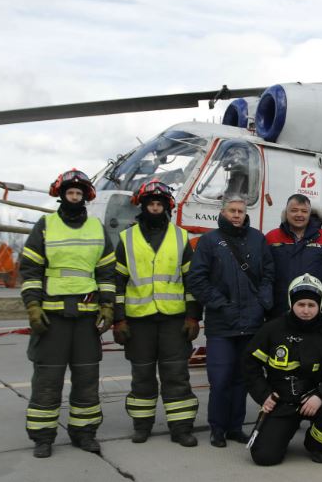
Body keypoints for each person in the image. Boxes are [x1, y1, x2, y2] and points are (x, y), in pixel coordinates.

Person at [19, 170, 116, 458]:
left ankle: (84, 433)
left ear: (85, 197)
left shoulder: (97, 228)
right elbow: (31, 269)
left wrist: (107, 305)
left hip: (86, 319)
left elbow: (106, 272)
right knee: (47, 380)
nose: (74, 197)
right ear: (62, 196)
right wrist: (33, 306)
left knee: (87, 378)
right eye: (70, 193)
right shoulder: (46, 225)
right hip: (52, 318)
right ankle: (43, 437)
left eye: (78, 193)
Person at [112, 180, 200, 447]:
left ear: (166, 206)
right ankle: (142, 426)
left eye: (159, 203)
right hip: (139, 321)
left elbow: (192, 282)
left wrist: (193, 316)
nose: (154, 207)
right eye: (150, 203)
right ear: (143, 206)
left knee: (176, 376)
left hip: (174, 321)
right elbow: (117, 283)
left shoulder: (181, 237)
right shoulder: (126, 239)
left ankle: (181, 428)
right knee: (142, 376)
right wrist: (118, 319)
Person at [188, 194, 275, 447]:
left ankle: (235, 428)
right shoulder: (209, 241)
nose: (237, 215)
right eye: (232, 210)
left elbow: (269, 274)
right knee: (220, 379)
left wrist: (262, 303)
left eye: (241, 211)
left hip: (251, 323)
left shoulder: (258, 239)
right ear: (223, 213)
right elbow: (196, 279)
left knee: (242, 379)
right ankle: (217, 428)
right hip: (221, 325)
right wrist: (220, 304)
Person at [242, 274, 322, 465]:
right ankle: (282, 432)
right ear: (291, 303)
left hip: (316, 400)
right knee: (264, 457)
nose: (306, 310)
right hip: (282, 401)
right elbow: (250, 363)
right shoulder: (272, 330)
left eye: (311, 305)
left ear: (320, 305)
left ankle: (315, 444)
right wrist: (264, 394)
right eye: (300, 304)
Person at [265, 194, 322, 320]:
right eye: (294, 210)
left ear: (309, 213)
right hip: (279, 312)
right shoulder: (271, 237)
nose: (299, 215)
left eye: (304, 211)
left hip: (314, 312)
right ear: (286, 213)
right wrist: (266, 307)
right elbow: (264, 275)